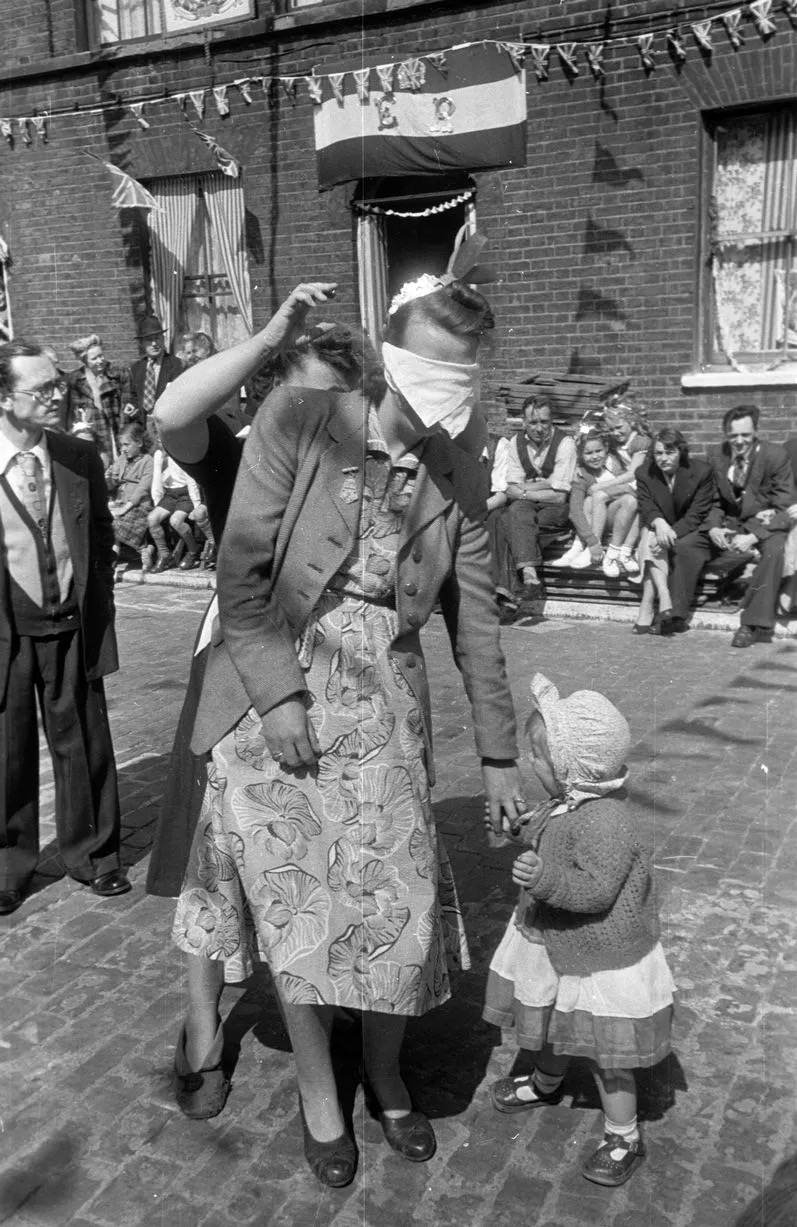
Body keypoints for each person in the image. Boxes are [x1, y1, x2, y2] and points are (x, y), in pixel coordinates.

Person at [170, 267, 524, 1188]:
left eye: (466, 377)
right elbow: (241, 575)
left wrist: (498, 758)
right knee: (300, 907)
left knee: (395, 902)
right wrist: (281, 695)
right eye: (435, 370)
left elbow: (475, 623)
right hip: (275, 687)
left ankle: (383, 1067)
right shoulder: (301, 419)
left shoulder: (455, 469)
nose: (449, 395)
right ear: (390, 356)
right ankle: (320, 1096)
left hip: (386, 702)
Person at [146, 289, 381, 907]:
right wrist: (271, 338)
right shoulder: (244, 453)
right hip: (245, 645)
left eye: (332, 399)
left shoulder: (366, 456)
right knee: (216, 834)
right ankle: (211, 985)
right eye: (300, 398)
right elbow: (170, 415)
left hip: (339, 658)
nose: (315, 414)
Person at [484, 673, 675, 1188]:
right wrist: (517, 827)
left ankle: (623, 1134)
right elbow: (549, 833)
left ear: (573, 767)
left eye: (539, 758)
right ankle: (547, 1081)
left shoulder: (606, 822)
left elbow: (594, 892)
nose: (530, 763)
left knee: (607, 1055)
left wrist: (545, 879)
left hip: (598, 957)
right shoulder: (568, 803)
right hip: (556, 945)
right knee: (550, 1021)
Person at [0, 340, 129, 915]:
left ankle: (94, 857)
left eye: (59, 384)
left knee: (85, 741)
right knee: (7, 752)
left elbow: (100, 534)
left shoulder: (78, 456)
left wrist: (96, 597)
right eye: (41, 389)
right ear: (4, 398)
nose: (57, 395)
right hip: (7, 631)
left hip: (72, 624)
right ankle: (8, 866)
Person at [706, 406, 793, 648]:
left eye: (745, 434)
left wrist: (753, 536)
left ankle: (751, 623)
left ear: (755, 431)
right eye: (733, 436)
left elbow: (784, 503)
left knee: (776, 550)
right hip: (729, 524)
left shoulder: (774, 455)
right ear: (725, 434)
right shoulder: (715, 455)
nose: (739, 441)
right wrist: (714, 527)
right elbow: (711, 500)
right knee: (691, 542)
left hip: (765, 525)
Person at [635, 428, 716, 635]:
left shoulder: (701, 471)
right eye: (658, 453)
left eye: (669, 452)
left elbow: (696, 514)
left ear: (681, 451)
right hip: (658, 526)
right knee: (649, 536)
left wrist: (669, 532)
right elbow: (646, 505)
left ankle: (651, 605)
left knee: (658, 542)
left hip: (689, 528)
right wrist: (659, 523)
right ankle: (664, 595)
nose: (663, 458)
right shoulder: (644, 472)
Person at [499, 396, 577, 590]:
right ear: (524, 422)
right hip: (527, 508)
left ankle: (508, 594)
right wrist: (548, 483)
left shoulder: (565, 443)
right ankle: (529, 576)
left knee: (509, 526)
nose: (539, 428)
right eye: (533, 422)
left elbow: (559, 496)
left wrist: (524, 489)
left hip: (556, 509)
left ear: (552, 421)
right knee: (517, 511)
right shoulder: (515, 443)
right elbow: (510, 488)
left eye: (544, 422)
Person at [555, 430, 640, 577]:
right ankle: (584, 546)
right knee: (589, 500)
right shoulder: (581, 475)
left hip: (620, 519)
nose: (594, 456)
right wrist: (592, 541)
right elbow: (575, 511)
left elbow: (631, 489)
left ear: (606, 448)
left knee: (628, 499)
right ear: (581, 455)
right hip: (594, 524)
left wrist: (605, 489)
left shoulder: (615, 463)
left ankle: (613, 552)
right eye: (588, 453)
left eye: (598, 451)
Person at [122, 316, 183, 442]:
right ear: (141, 343)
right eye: (149, 340)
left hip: (169, 429)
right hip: (144, 432)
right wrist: (132, 407)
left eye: (157, 338)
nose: (154, 344)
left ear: (163, 339)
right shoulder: (136, 369)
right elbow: (134, 397)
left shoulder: (177, 365)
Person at [147, 442, 206, 572]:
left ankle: (192, 550)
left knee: (176, 521)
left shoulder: (181, 453)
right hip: (169, 495)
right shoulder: (158, 455)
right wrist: (157, 500)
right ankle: (164, 555)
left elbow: (191, 480)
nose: (160, 442)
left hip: (185, 494)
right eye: (158, 438)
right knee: (152, 519)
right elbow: (156, 477)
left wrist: (196, 504)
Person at [67, 334, 125, 466]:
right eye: (94, 358)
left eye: (101, 356)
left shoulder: (115, 376)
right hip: (94, 436)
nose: (100, 360)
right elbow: (75, 414)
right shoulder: (75, 381)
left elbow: (124, 408)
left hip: (114, 432)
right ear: (85, 360)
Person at [104, 423, 154, 570]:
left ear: (139, 443)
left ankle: (144, 549)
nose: (123, 449)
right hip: (120, 502)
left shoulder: (147, 461)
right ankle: (112, 566)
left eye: (126, 444)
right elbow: (113, 477)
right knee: (107, 524)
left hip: (139, 505)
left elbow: (142, 489)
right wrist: (109, 477)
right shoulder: (122, 458)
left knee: (115, 526)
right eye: (121, 446)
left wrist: (125, 508)